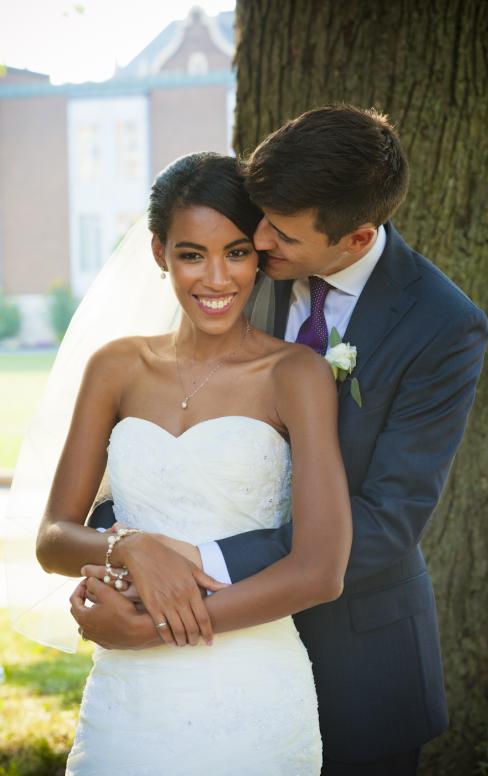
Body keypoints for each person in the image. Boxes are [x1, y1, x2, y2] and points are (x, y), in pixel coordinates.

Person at [79, 105, 488, 775]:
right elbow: (150, 445)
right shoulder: (240, 267)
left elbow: (388, 520)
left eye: (280, 235)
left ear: (356, 239)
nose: (257, 241)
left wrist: (195, 562)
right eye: (258, 221)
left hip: (361, 659)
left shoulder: (443, 328)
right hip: (206, 673)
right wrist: (132, 547)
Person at [35, 152, 352, 775]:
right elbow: (52, 540)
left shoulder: (295, 373)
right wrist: (131, 546)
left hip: (252, 687)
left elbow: (320, 572)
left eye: (236, 252)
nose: (216, 279)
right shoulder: (116, 367)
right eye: (191, 254)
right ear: (159, 253)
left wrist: (152, 628)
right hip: (128, 704)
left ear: (260, 253)